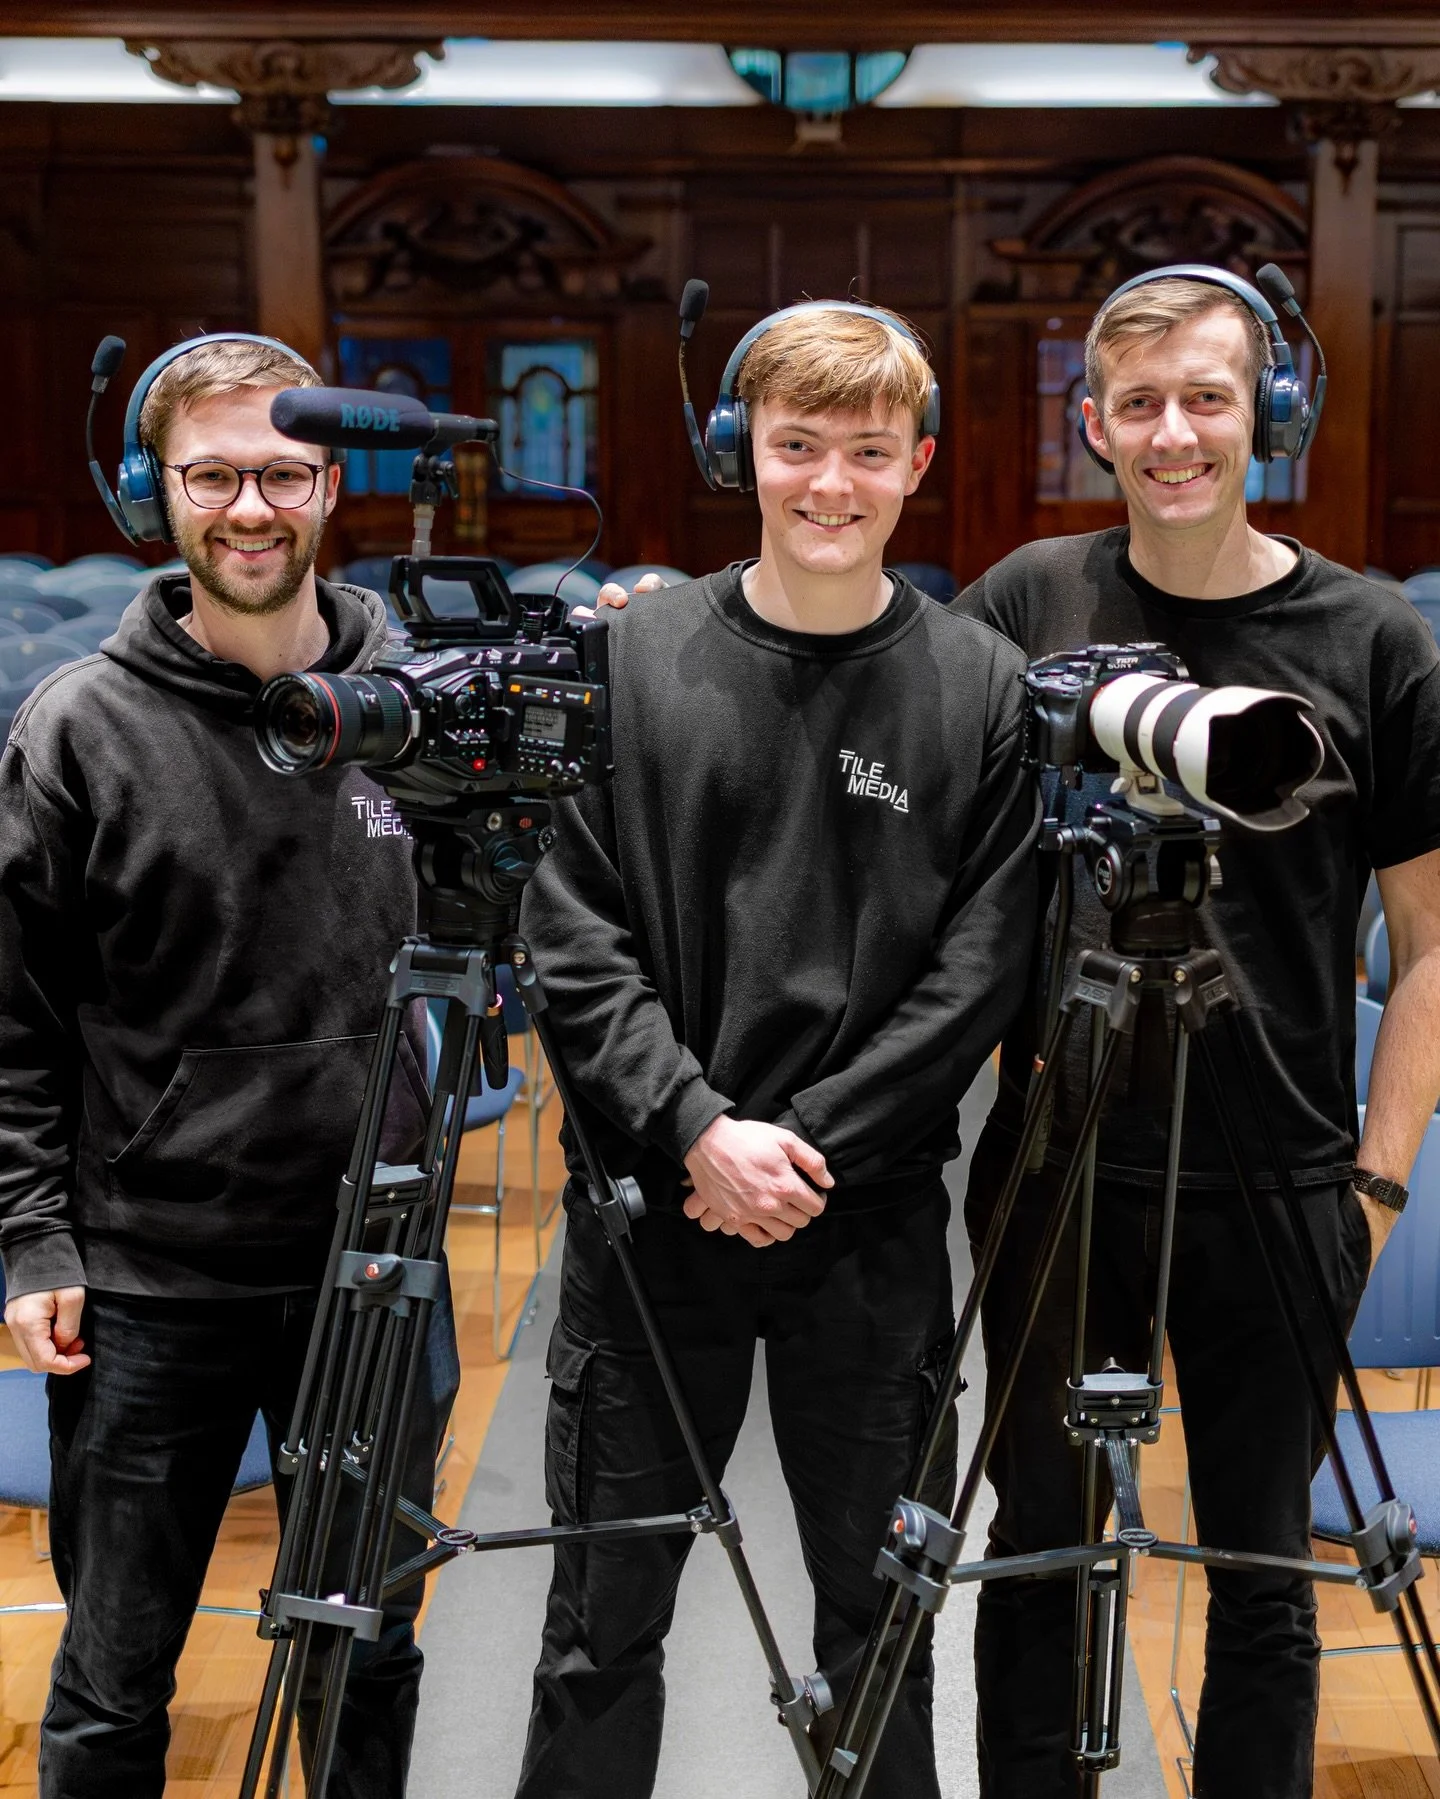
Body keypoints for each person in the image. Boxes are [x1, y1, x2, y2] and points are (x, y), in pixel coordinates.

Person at [513, 302, 1039, 1798]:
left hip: (863, 1231)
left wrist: (796, 1146)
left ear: (918, 462)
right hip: (649, 1215)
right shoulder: (631, 655)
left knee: (882, 1621)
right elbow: (574, 935)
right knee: (596, 1627)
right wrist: (695, 1129)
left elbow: (981, 970)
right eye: (796, 444)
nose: (829, 483)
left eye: (867, 452)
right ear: (741, 447)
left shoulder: (978, 687)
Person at [953, 269, 1440, 1798]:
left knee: (1261, 1579)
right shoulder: (1029, 597)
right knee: (1038, 1555)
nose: (1176, 435)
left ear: (1269, 417)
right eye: (1142, 405)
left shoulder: (1372, 640)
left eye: (1209, 399)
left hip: (1287, 1178)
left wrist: (1375, 1181)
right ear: (1095, 423)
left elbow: (1431, 947)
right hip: (1063, 1163)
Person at [0, 335, 459, 1799]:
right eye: (213, 474)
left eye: (281, 471)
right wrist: (29, 1240)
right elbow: (13, 1015)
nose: (250, 506)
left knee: (371, 1652)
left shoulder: (423, 709)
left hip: (375, 1271)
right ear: (157, 490)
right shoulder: (80, 726)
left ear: (330, 486)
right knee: (115, 1681)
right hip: (153, 1284)